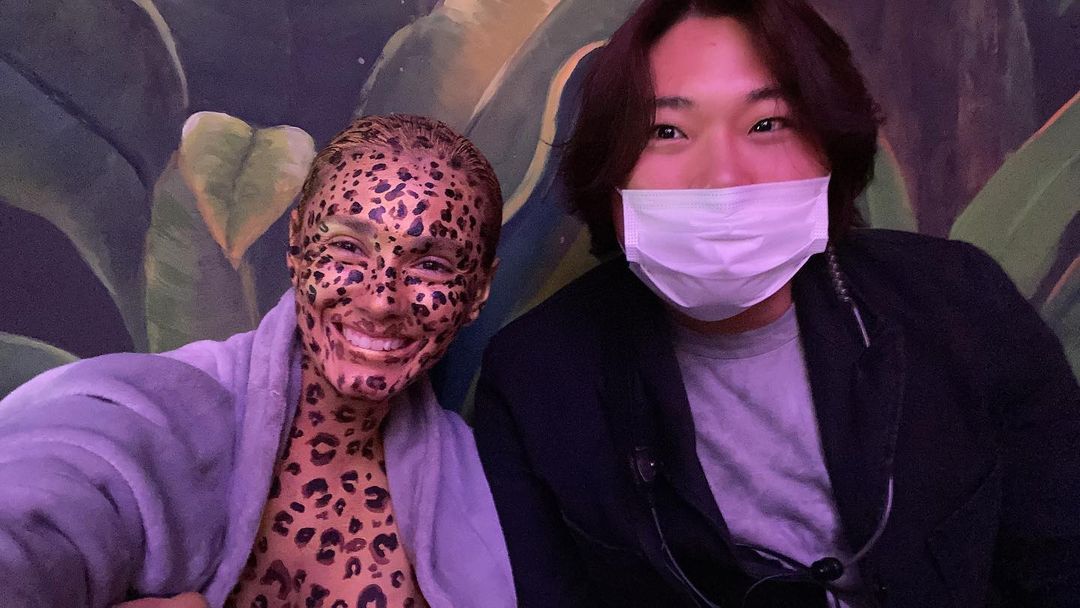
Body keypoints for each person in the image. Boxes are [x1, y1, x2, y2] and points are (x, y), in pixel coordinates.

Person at [472, 0, 1080, 606]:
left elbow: (1058, 555)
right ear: (610, 178)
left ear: (828, 151)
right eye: (666, 131)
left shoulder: (961, 301)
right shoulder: (535, 379)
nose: (722, 177)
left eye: (766, 124)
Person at [0, 114, 515, 608]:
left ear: (477, 291)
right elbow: (44, 502)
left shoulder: (483, 484)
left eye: (430, 265)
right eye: (347, 248)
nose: (381, 300)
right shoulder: (158, 412)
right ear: (297, 246)